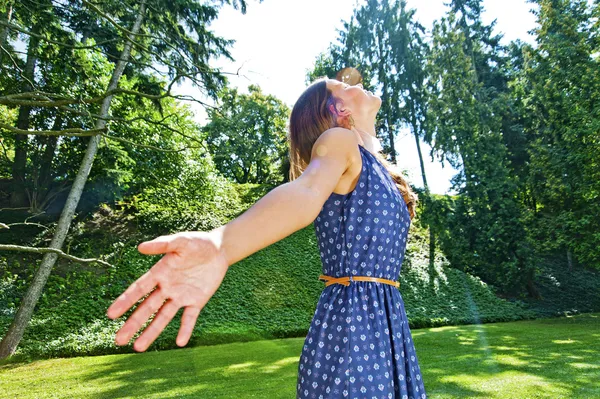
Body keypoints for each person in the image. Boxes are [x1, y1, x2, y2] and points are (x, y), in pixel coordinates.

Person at [106, 76, 427, 398]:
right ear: (338, 107)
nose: (354, 83)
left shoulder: (375, 165)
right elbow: (305, 191)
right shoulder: (339, 142)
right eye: (341, 85)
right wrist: (222, 244)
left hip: (386, 317)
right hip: (353, 320)